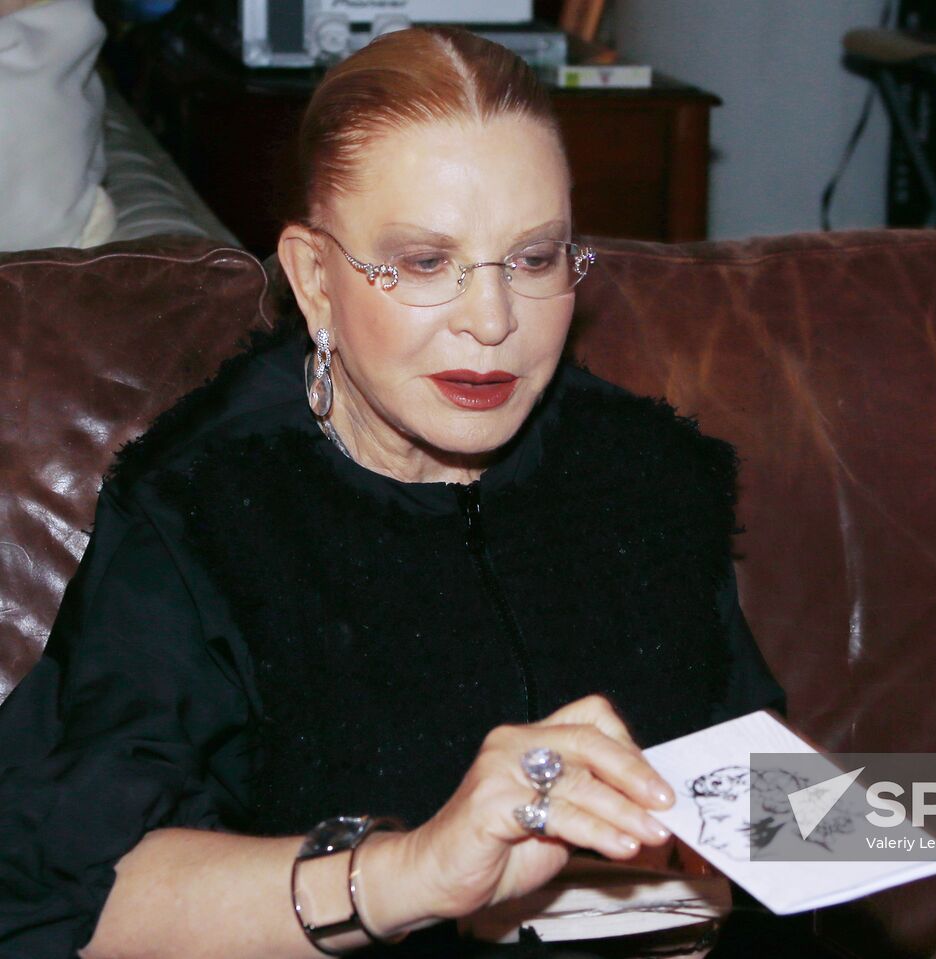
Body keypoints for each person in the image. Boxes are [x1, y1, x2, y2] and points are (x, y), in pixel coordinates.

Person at [0, 27, 783, 959]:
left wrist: (728, 881)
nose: (492, 322)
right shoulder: (204, 508)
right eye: (423, 262)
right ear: (314, 279)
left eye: (534, 259)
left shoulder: (647, 468)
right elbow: (60, 906)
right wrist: (414, 871)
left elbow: (766, 810)